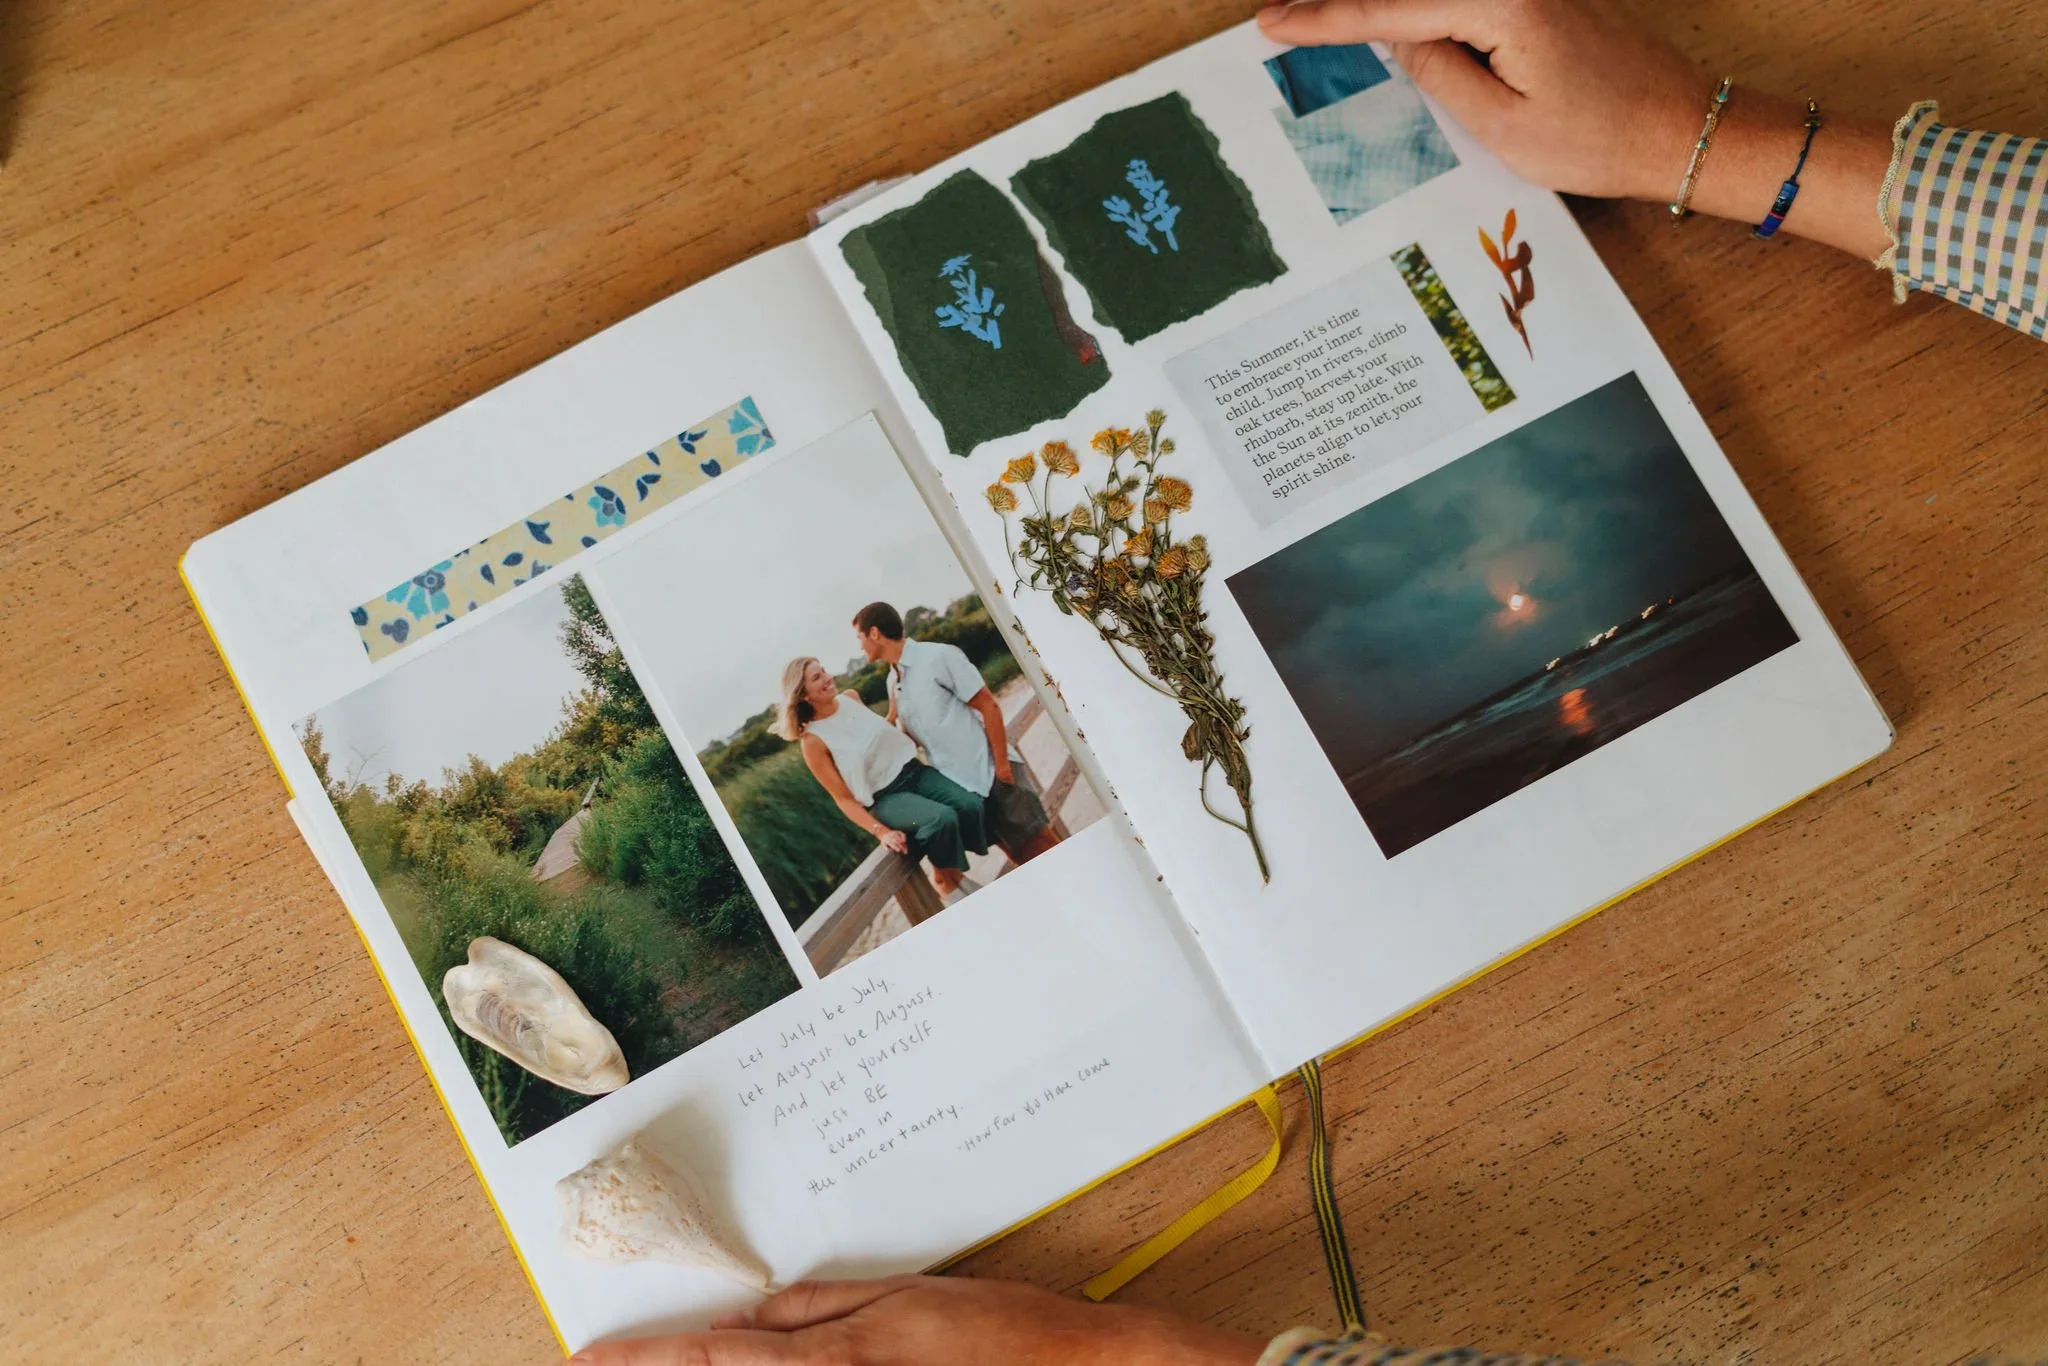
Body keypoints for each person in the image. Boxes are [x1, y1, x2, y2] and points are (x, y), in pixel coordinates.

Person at [573, 3, 2046, 1363]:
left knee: (1027, 827)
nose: (847, 666)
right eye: (839, 664)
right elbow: (846, 778)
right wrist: (1703, 144)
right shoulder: (846, 715)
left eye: (856, 652)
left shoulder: (919, 670)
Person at [852, 601, 1063, 867]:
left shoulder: (938, 657)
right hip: (964, 791)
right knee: (1023, 861)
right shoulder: (893, 683)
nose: (860, 647)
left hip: (992, 775)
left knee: (1049, 851)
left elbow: (988, 705)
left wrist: (1002, 768)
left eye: (859, 637)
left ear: (874, 633)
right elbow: (910, 743)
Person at [775, 657, 989, 904]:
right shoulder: (812, 741)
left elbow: (870, 740)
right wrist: (881, 832)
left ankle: (948, 874)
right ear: (803, 695)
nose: (827, 677)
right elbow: (842, 798)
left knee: (970, 804)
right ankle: (947, 879)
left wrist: (893, 713)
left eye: (823, 670)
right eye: (817, 677)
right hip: (885, 797)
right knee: (941, 819)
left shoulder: (851, 698)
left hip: (915, 772)